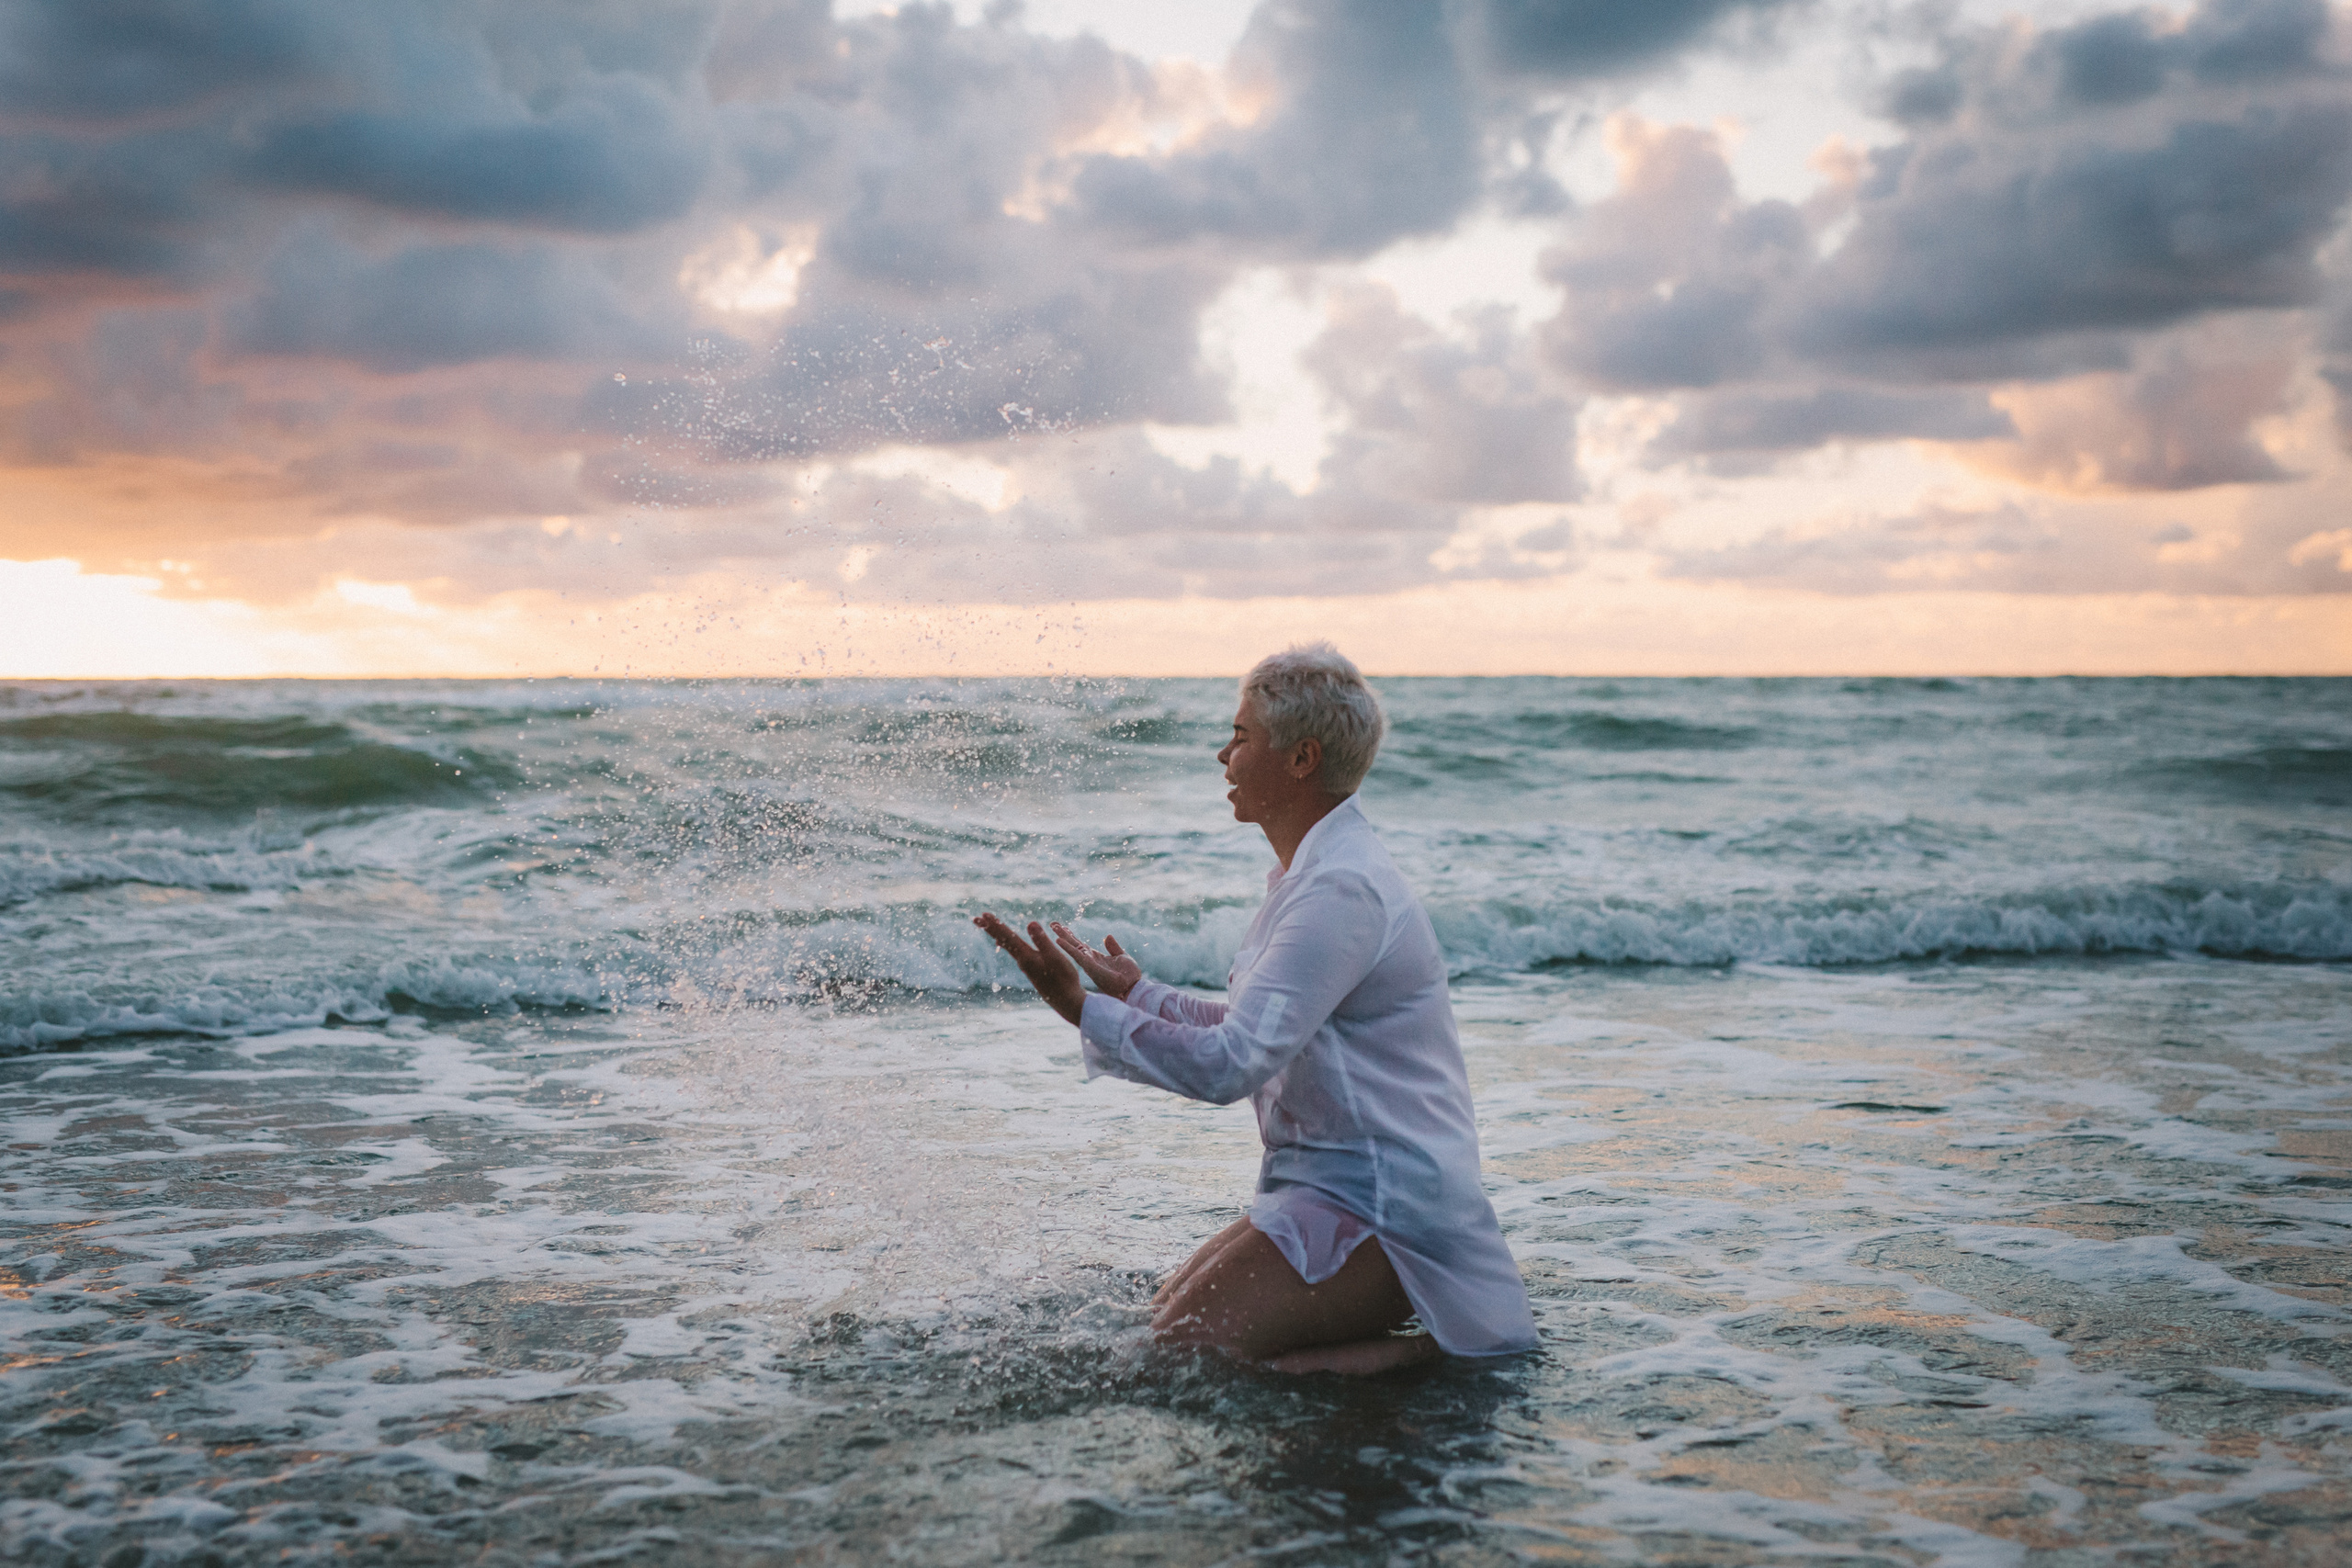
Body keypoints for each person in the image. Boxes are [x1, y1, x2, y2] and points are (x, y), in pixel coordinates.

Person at [976, 642, 1536, 1375]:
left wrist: (1080, 1008)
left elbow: (1230, 1065)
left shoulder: (1340, 891)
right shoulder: (1311, 876)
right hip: (1329, 1188)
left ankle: (1429, 1361)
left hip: (1391, 1209)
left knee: (1182, 1353)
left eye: (1241, 736)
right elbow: (1256, 1033)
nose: (1223, 755)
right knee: (1159, 1320)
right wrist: (1140, 996)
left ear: (1301, 758)